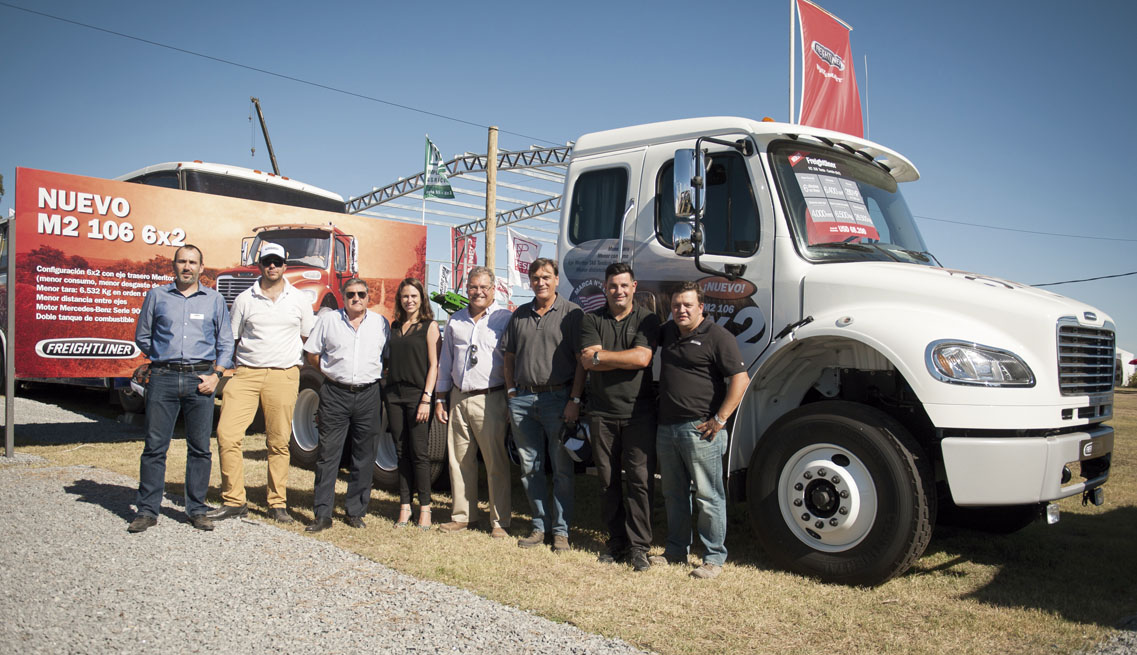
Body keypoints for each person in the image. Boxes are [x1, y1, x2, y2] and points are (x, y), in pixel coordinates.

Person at [129, 244, 234, 533]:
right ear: (173, 265)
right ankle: (147, 510)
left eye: (193, 262)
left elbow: (226, 343)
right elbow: (143, 336)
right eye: (182, 262)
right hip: (163, 378)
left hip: (201, 380)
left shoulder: (214, 300)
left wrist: (216, 375)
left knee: (200, 449)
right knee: (154, 447)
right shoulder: (157, 296)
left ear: (202, 267)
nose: (187, 267)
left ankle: (196, 509)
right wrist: (164, 357)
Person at [209, 243, 314, 524]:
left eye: (277, 262)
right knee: (227, 435)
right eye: (267, 261)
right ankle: (234, 501)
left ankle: (277, 504)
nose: (272, 267)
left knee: (279, 442)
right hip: (246, 374)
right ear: (260, 265)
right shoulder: (245, 299)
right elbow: (232, 338)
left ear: (285, 265)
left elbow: (308, 338)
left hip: (284, 375)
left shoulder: (299, 300)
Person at [653, 282, 749, 579]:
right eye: (676, 305)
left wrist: (720, 420)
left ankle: (713, 557)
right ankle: (675, 551)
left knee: (709, 496)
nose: (681, 310)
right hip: (667, 427)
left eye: (687, 305)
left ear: (701, 308)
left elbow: (740, 380)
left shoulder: (718, 336)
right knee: (674, 494)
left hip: (701, 430)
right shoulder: (668, 331)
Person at [579, 262, 661, 571]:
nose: (619, 291)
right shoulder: (591, 319)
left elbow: (642, 358)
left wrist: (602, 356)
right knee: (608, 482)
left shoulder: (647, 319)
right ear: (605, 287)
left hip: (638, 414)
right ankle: (616, 542)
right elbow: (587, 362)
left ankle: (639, 546)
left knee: (640, 482)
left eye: (624, 285)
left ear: (634, 287)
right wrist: (612, 359)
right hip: (601, 413)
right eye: (613, 285)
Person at [502, 258, 586, 552]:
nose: (541, 282)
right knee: (530, 468)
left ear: (556, 279)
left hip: (558, 400)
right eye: (536, 277)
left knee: (562, 469)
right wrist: (512, 391)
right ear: (530, 280)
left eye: (546, 277)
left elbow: (581, 362)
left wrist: (574, 399)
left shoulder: (572, 314)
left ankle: (561, 531)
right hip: (523, 400)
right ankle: (539, 526)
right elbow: (509, 355)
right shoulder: (520, 314)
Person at [302, 278, 390, 531]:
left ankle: (355, 511)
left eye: (361, 294)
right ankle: (322, 514)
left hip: (368, 394)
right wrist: (330, 375)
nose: (356, 298)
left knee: (364, 455)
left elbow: (385, 358)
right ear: (342, 295)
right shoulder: (328, 321)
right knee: (328, 454)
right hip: (335, 394)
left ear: (368, 297)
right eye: (350, 294)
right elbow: (312, 354)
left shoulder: (379, 323)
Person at [434, 266, 513, 538]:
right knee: (459, 461)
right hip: (458, 396)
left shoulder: (504, 319)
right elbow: (446, 362)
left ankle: (500, 521)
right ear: (466, 289)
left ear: (493, 290)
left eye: (484, 288)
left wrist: (510, 399)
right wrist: (441, 397)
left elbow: (511, 360)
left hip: (491, 398)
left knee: (495, 462)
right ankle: (462, 515)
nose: (478, 292)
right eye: (473, 287)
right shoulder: (455, 320)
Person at [384, 277, 440, 530]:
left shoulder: (429, 327)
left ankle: (425, 509)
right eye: (405, 296)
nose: (409, 300)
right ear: (400, 299)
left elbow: (434, 365)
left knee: (420, 454)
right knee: (400, 451)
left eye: (414, 296)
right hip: (394, 396)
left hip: (419, 397)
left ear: (422, 299)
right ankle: (404, 506)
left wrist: (427, 398)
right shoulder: (394, 326)